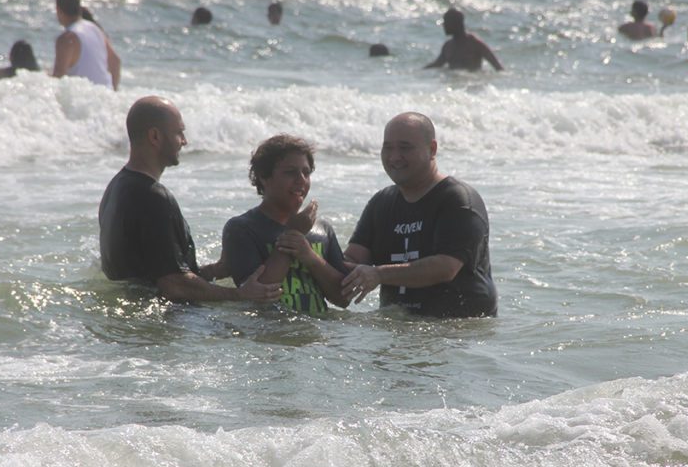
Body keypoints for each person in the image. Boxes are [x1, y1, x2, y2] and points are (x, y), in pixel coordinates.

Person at [99, 96, 282, 305]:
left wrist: (216, 270)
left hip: (133, 317)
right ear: (155, 136)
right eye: (179, 132)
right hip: (163, 323)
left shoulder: (116, 188)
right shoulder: (154, 198)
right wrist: (238, 296)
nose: (184, 141)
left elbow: (152, 273)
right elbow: (173, 285)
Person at [342, 112, 498, 317]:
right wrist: (308, 255)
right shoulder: (381, 203)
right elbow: (353, 259)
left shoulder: (458, 199)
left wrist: (379, 274)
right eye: (387, 148)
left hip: (457, 333)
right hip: (397, 325)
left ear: (432, 149)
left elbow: (445, 267)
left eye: (405, 148)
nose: (394, 157)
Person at [221, 135, 349, 314]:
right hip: (269, 334)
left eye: (306, 172)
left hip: (317, 337)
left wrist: (310, 256)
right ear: (264, 177)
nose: (301, 179)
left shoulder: (322, 230)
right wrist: (294, 235)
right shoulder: (242, 228)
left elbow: (343, 298)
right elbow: (258, 297)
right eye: (290, 172)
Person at [52, 0, 121, 90]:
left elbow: (58, 78)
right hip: (105, 96)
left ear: (58, 10)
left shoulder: (67, 38)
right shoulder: (96, 29)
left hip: (83, 101)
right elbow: (116, 62)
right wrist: (113, 92)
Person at [425, 8, 502, 71]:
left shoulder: (475, 43)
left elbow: (497, 67)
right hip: (454, 88)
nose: (444, 25)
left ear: (456, 24)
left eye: (447, 23)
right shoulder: (448, 46)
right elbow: (438, 64)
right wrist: (419, 72)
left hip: (472, 86)